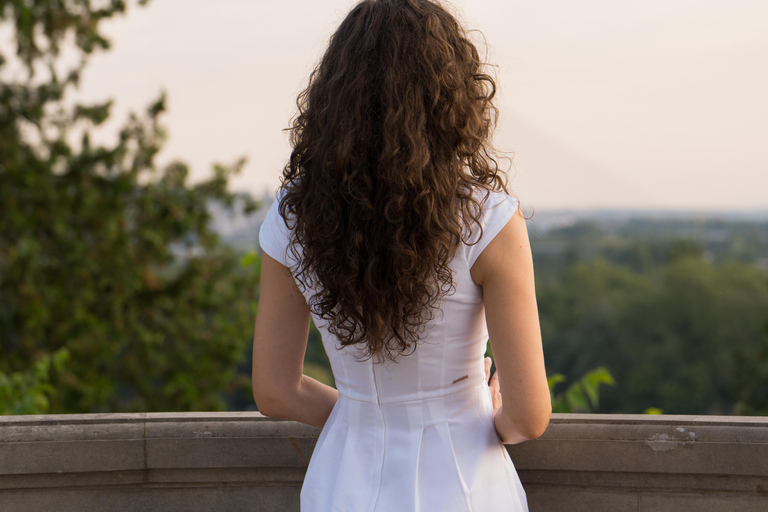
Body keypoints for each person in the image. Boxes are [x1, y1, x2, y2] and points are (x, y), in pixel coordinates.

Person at [251, 0, 551, 510]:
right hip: (463, 486)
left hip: (341, 480)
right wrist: (485, 410)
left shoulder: (293, 214)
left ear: (335, 94)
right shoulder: (490, 219)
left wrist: (365, 416)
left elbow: (275, 391)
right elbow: (527, 417)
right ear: (451, 95)